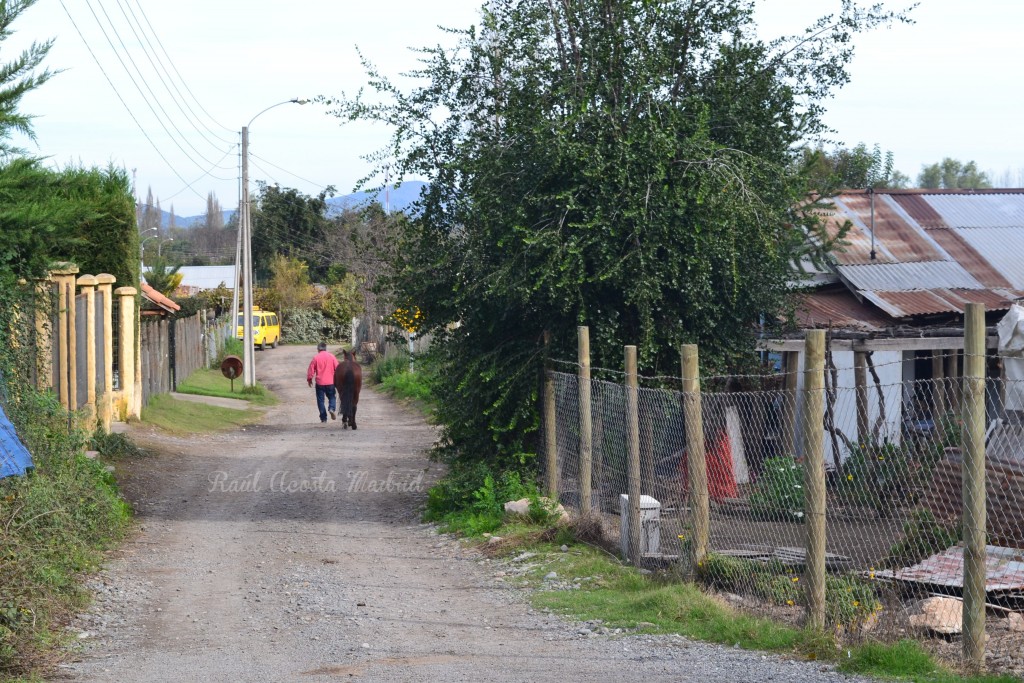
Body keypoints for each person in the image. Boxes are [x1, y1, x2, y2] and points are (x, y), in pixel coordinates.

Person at [306, 342, 339, 423]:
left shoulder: (316, 357)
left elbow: (311, 370)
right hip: (331, 382)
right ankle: (331, 408)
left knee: (320, 400)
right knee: (332, 397)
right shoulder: (332, 356)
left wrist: (309, 379)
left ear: (318, 349)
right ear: (325, 348)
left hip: (320, 383)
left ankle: (323, 418)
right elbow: (338, 368)